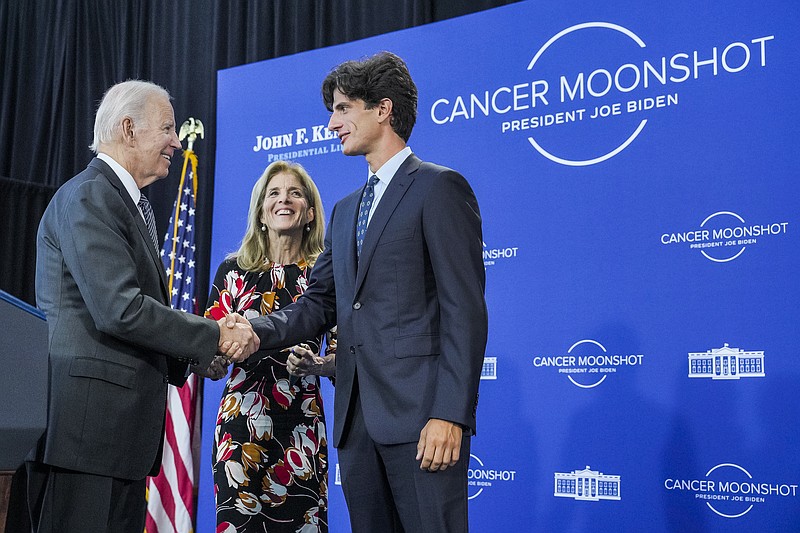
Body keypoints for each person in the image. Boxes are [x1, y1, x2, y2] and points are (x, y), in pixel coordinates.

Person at [230, 51, 488, 532]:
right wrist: (253, 330)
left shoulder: (439, 188)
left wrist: (450, 415)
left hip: (421, 422)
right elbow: (319, 304)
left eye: (343, 108)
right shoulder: (347, 210)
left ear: (383, 109)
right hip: (357, 424)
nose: (331, 123)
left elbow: (464, 312)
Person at [29, 79, 259, 533]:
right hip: (88, 435)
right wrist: (215, 335)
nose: (177, 141)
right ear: (128, 129)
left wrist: (195, 356)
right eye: (168, 128)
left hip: (115, 437)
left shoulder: (122, 203)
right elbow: (120, 308)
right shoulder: (91, 196)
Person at [204, 160, 334, 532]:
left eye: (295, 193)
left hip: (301, 428)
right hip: (239, 428)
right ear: (261, 210)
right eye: (274, 193)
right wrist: (209, 362)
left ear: (310, 212)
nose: (284, 200)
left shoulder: (325, 274)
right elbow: (210, 344)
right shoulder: (233, 270)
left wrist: (318, 364)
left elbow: (345, 355)